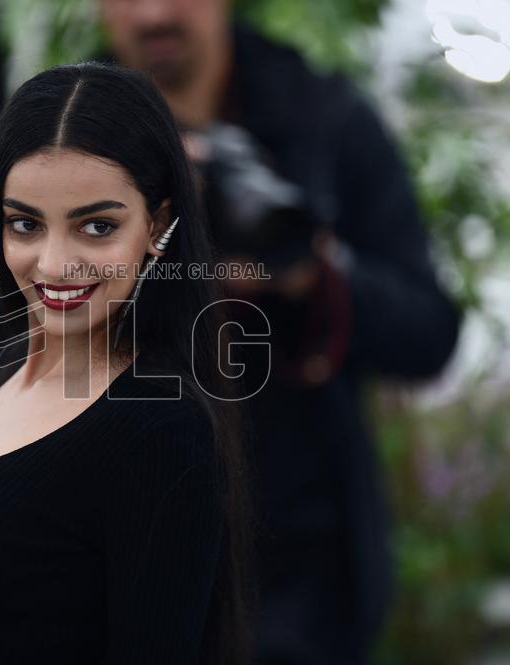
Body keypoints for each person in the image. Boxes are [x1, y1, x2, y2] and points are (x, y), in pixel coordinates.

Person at [98, 1, 462, 662]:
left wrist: (309, 272)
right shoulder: (67, 132)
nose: (154, 13)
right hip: (115, 551)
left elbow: (429, 331)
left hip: (299, 566)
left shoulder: (322, 119)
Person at [0, 61, 258, 665]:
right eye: (25, 224)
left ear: (158, 225)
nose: (55, 265)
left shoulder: (157, 432)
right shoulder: (5, 368)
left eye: (97, 227)